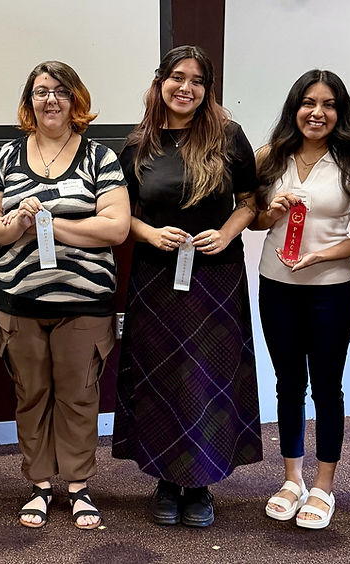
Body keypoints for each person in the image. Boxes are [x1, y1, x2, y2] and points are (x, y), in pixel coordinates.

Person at [110, 45, 261, 528]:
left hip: (214, 278)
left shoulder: (230, 137)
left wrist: (228, 231)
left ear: (206, 89)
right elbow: (118, 215)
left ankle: (200, 484)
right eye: (177, 77)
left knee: (207, 378)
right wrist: (150, 233)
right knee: (161, 379)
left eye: (197, 80)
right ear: (160, 82)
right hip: (155, 281)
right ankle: (164, 479)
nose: (186, 88)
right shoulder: (139, 144)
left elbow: (249, 201)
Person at [0, 60, 129, 530]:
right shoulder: (3, 158)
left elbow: (117, 227)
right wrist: (15, 224)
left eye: (60, 91)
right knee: (32, 394)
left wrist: (50, 224)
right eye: (41, 92)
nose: (51, 100)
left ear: (76, 99)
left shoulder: (100, 158)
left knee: (80, 396)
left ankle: (80, 487)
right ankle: (41, 486)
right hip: (19, 304)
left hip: (84, 306)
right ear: (29, 102)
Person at [251, 70, 350, 529]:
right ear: (295, 108)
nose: (317, 113)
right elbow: (254, 222)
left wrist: (325, 253)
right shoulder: (269, 156)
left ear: (339, 112)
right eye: (308, 102)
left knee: (327, 388)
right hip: (276, 286)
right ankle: (292, 478)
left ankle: (324, 486)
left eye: (328, 104)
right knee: (288, 385)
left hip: (331, 291)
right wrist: (272, 212)